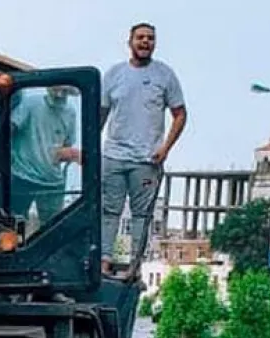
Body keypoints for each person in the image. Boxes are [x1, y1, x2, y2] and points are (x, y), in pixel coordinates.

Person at [100, 22, 187, 275]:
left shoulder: (164, 75)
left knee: (141, 215)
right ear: (130, 42)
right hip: (114, 155)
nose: (145, 42)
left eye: (150, 38)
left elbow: (180, 114)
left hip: (146, 160)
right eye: (140, 38)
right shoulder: (114, 74)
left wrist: (166, 147)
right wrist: (89, 147)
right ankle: (105, 262)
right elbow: (101, 113)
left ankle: (134, 266)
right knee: (109, 210)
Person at [10, 86, 81, 229]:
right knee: (14, 225)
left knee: (52, 229)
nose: (60, 94)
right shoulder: (31, 104)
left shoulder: (70, 112)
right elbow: (9, 129)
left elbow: (65, 145)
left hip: (52, 181)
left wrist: (71, 154)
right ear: (50, 88)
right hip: (22, 175)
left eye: (65, 91)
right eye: (58, 89)